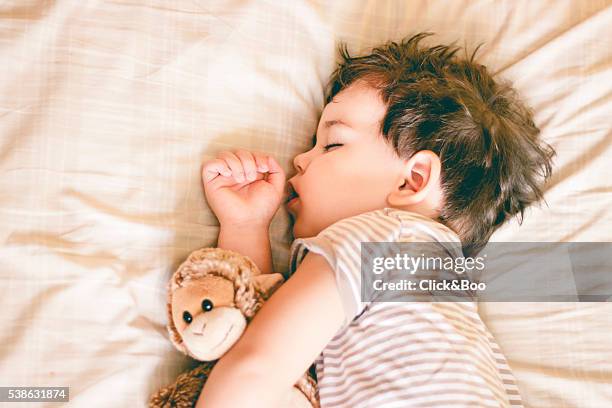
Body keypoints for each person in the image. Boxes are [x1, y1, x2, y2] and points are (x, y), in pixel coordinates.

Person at [197, 32, 554, 407]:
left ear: (411, 181)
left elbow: (258, 365)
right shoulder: (439, 298)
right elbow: (264, 343)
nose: (301, 159)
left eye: (332, 144)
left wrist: (245, 227)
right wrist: (247, 225)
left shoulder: (380, 239)